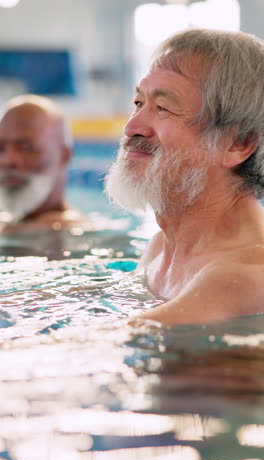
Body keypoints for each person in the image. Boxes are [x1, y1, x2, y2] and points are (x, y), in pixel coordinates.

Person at [105, 28, 264, 326]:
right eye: (139, 103)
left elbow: (101, 344)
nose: (132, 127)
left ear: (237, 143)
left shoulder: (246, 274)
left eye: (163, 108)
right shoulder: (160, 249)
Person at [0, 94, 89, 233]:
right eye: (1, 149)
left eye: (27, 148)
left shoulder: (68, 230)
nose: (7, 161)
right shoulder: (10, 220)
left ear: (64, 156)